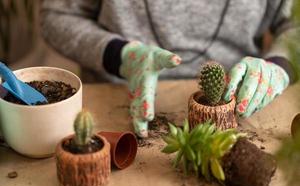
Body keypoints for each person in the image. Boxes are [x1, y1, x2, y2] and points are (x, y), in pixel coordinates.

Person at [40, 0, 295, 138]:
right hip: (115, 100)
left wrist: (280, 64)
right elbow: (56, 14)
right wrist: (119, 54)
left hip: (246, 104)